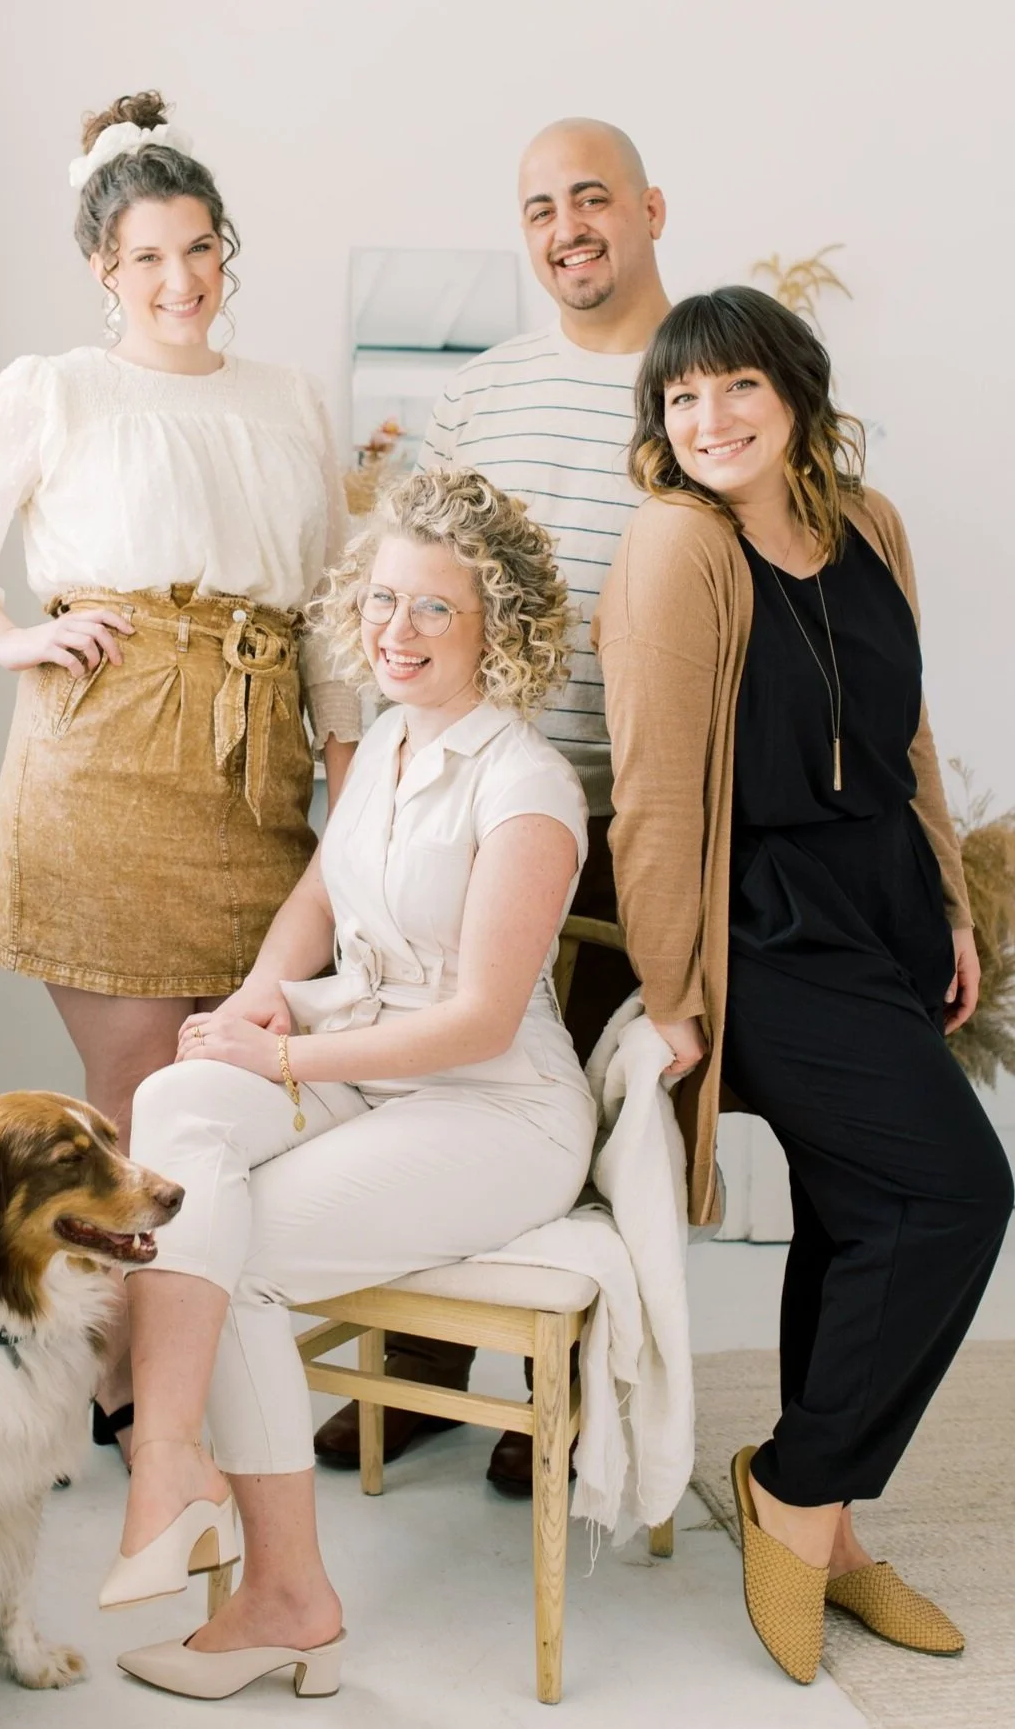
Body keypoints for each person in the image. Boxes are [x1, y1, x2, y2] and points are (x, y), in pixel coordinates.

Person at [0, 91, 359, 1456]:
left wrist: (350, 767)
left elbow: (330, 605)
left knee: (233, 1082)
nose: (180, 278)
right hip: (107, 753)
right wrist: (8, 633)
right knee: (142, 1088)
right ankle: (137, 1397)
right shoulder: (58, 388)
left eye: (199, 248)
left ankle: (173, 1363)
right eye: (148, 255)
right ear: (105, 266)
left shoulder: (286, 398)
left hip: (257, 762)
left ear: (225, 248)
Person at [102, 469, 597, 1701]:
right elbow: (319, 894)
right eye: (381, 599)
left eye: (433, 608)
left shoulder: (526, 784)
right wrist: (254, 1000)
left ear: (497, 627)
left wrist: (281, 1056)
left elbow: (478, 1021)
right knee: (174, 1103)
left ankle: (286, 1597)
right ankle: (169, 1461)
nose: (394, 630)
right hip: (365, 1054)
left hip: (495, 1107)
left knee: (234, 1243)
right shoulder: (383, 737)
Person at [597, 284, 1012, 1683]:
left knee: (862, 1210)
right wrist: (672, 989)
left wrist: (949, 905)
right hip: (764, 928)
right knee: (958, 1192)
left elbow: (909, 735)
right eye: (680, 398)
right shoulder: (676, 545)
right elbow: (654, 789)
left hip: (883, 904)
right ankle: (793, 1483)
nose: (708, 419)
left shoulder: (867, 522)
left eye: (737, 388)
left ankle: (828, 1532)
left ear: (795, 394)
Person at [317, 116, 670, 1493]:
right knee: (442, 1079)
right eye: (540, 208)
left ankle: (562, 1395)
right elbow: (413, 565)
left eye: (592, 198)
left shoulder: (701, 380)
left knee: (595, 1108)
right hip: (479, 797)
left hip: (632, 812)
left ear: (648, 208)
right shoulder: (484, 391)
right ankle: (421, 1359)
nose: (567, 228)